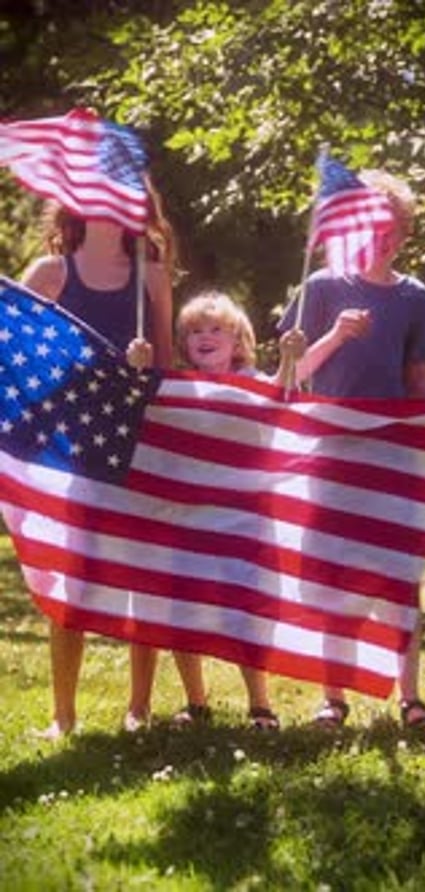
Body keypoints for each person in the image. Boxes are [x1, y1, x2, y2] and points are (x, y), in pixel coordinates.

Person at [278, 168, 425, 730]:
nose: (383, 236)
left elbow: (418, 377)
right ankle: (333, 697)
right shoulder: (321, 287)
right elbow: (289, 377)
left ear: (406, 232)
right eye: (373, 225)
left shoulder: (414, 296)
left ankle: (411, 698)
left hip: (392, 452)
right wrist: (334, 336)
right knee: (333, 573)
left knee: (401, 572)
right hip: (328, 449)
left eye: (394, 227)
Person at [21, 179, 177, 738]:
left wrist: (146, 362)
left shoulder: (152, 278)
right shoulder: (49, 274)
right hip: (71, 448)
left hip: (140, 440)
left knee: (143, 575)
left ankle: (139, 709)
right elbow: (16, 357)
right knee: (71, 577)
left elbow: (168, 367)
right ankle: (63, 715)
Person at [127, 290, 305, 729]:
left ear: (238, 339)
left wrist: (289, 360)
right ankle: (196, 701)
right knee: (182, 604)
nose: (204, 337)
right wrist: (140, 372)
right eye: (194, 331)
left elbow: (279, 401)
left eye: (216, 329)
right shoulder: (179, 385)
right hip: (189, 515)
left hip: (246, 518)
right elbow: (148, 410)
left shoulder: (254, 381)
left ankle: (260, 704)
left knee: (246, 606)